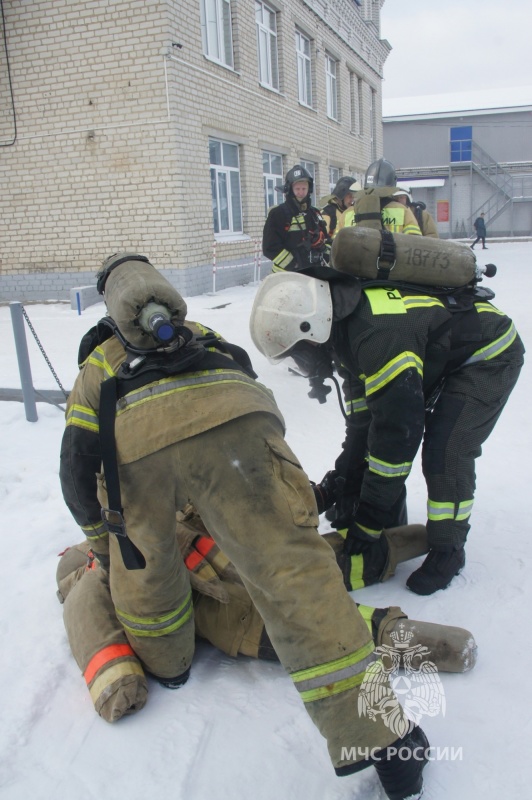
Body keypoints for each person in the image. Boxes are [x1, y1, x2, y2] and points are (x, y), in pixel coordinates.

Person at [59, 252, 430, 798]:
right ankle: (388, 744)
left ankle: (171, 665)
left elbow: (76, 469)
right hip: (243, 426)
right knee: (299, 581)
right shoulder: (201, 332)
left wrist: (104, 543)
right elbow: (246, 380)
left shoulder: (98, 366)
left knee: (144, 571)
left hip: (141, 462)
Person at [56, 505, 477, 722]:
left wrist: (118, 684)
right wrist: (117, 685)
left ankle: (414, 558)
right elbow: (89, 617)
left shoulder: (116, 541)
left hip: (229, 580)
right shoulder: (107, 552)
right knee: (318, 591)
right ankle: (426, 619)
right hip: (224, 589)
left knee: (318, 588)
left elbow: (89, 619)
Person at [250, 268, 524, 596]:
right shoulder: (343, 337)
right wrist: (342, 485)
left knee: (445, 449)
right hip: (437, 350)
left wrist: (367, 524)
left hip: (488, 354)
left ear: (312, 331)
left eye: (299, 354)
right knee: (378, 434)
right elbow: (361, 430)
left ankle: (449, 549)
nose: (304, 365)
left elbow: (397, 438)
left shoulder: (376, 337)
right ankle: (389, 512)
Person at [262, 164, 330, 272]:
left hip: (314, 274)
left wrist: (322, 249)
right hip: (285, 276)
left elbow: (327, 240)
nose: (301, 192)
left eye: (304, 188)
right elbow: (270, 247)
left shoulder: (315, 213)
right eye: (297, 188)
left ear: (309, 189)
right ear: (290, 189)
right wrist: (295, 264)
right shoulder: (278, 214)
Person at [337, 159, 422, 236]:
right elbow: (416, 244)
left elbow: (336, 245)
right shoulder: (403, 211)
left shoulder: (347, 214)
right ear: (393, 183)